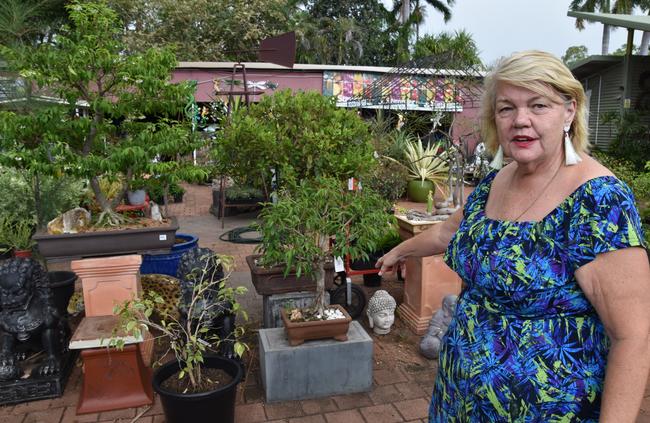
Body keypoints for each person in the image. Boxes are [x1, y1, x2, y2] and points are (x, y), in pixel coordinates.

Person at [377, 50, 650, 422]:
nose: (521, 121)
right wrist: (400, 251)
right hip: (460, 398)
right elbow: (449, 232)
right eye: (507, 108)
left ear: (569, 111)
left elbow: (633, 337)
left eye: (538, 105)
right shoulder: (496, 182)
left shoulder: (599, 200)